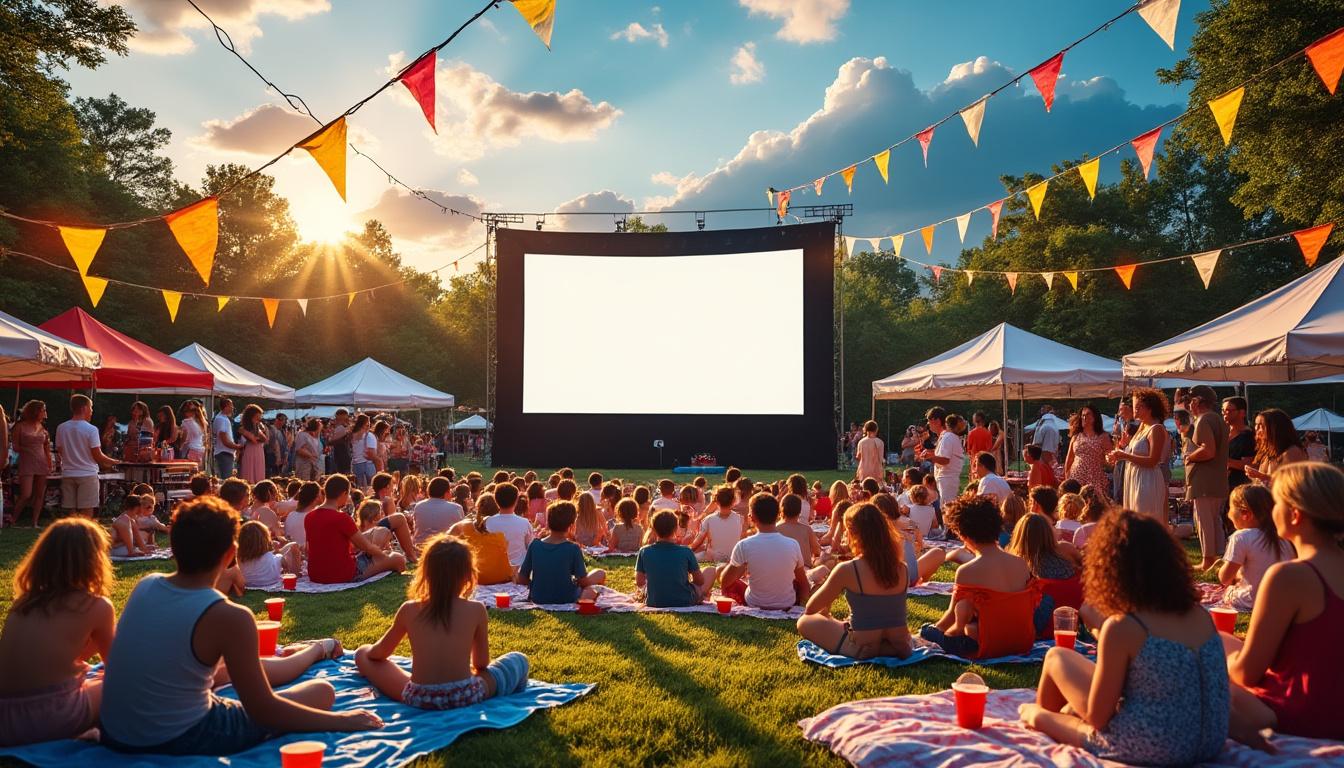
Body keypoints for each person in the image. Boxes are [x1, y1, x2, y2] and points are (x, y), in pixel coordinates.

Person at [99, 496, 380, 754]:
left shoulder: (146, 586)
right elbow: (264, 710)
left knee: (237, 672)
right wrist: (342, 720)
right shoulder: (229, 616)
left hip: (116, 733)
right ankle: (317, 651)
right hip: (181, 736)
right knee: (322, 692)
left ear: (172, 545)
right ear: (230, 554)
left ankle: (315, 650)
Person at [1019, 509, 1229, 764]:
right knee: (1064, 678)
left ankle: (1040, 728)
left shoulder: (1125, 627)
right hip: (1210, 742)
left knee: (1046, 680)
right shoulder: (1200, 616)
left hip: (1153, 746)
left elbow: (1098, 718)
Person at [1223, 462, 1344, 743]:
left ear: (1295, 514)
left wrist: (1225, 659)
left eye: (1275, 502)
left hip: (1301, 717)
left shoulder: (1290, 577)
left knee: (1202, 658)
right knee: (1222, 639)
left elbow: (1247, 674)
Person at [354, 534, 530, 710]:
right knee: (518, 660)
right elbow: (481, 664)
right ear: (468, 576)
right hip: (466, 695)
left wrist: (368, 652)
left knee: (362, 653)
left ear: (426, 574)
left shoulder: (409, 609)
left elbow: (378, 654)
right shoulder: (476, 609)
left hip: (420, 698)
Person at [0, 519, 116, 746]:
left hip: (4, 717)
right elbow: (118, 669)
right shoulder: (96, 606)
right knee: (122, 686)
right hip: (48, 716)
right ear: (95, 560)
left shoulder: (24, 603)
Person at [919, 494, 1043, 658]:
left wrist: (930, 632)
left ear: (964, 535)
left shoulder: (967, 571)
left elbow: (948, 620)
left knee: (927, 631)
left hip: (988, 645)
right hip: (1022, 642)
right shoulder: (1021, 564)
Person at [797, 502, 912, 659]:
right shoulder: (902, 568)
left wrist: (827, 607)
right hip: (902, 644)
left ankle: (871, 647)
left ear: (853, 534)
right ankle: (886, 646)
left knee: (804, 621)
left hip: (863, 645)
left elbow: (811, 608)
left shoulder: (848, 569)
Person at [719, 493, 815, 610]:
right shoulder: (793, 544)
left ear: (751, 517)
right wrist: (802, 605)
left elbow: (725, 582)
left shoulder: (744, 545)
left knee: (725, 576)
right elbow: (803, 583)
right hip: (787, 603)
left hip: (754, 603)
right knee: (797, 582)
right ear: (778, 515)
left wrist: (740, 567)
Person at [305, 475, 406, 584]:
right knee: (398, 559)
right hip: (343, 574)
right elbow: (366, 547)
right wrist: (384, 556)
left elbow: (308, 549)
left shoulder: (309, 516)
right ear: (344, 493)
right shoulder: (342, 518)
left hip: (316, 574)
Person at [1218, 483, 1294, 612]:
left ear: (1245, 514)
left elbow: (1225, 578)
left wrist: (1220, 571)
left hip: (1251, 601)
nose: (1228, 514)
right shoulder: (1284, 537)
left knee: (1227, 591)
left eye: (1230, 508)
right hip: (1282, 602)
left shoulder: (1241, 537)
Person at [516, 501, 605, 604]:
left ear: (548, 523)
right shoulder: (573, 549)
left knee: (598, 575)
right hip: (566, 597)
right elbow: (583, 582)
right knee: (595, 582)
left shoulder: (535, 545)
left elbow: (522, 578)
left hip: (538, 597)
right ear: (572, 526)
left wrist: (538, 584)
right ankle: (583, 601)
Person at [1183, 385, 1230, 570]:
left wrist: (1190, 456)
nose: (1189, 405)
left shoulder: (1203, 420)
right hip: (1217, 479)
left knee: (1204, 521)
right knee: (1214, 519)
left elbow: (1208, 450)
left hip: (1204, 480)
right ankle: (1219, 556)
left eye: (1191, 401)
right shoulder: (1218, 419)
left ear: (1197, 401)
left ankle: (1207, 560)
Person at [1107, 388, 1170, 522]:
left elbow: (1154, 460)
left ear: (1149, 408)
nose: (1135, 410)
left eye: (1138, 406)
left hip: (1147, 479)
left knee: (1145, 518)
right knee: (1134, 518)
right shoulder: (1142, 427)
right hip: (1134, 477)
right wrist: (1118, 453)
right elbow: (1133, 451)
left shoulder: (1156, 429)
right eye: (1135, 406)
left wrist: (1124, 456)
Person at [636, 510, 719, 607]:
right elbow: (700, 581)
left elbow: (640, 582)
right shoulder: (686, 551)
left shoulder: (644, 551)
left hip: (654, 601)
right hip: (685, 600)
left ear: (653, 529)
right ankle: (702, 596)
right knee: (711, 570)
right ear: (676, 529)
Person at [55, 395, 119, 518]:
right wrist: (115, 462)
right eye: (91, 408)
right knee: (87, 510)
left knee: (71, 511)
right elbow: (98, 455)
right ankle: (85, 534)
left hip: (68, 473)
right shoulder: (91, 429)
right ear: (84, 408)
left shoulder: (61, 427)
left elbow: (60, 450)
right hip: (87, 474)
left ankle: (71, 534)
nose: (92, 411)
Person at [447, 493, 514, 585]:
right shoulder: (507, 527)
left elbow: (445, 544)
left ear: (477, 508)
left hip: (473, 578)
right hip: (502, 578)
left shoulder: (462, 526)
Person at [11, 400, 52, 528]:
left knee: (40, 494)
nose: (45, 413)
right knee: (26, 494)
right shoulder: (20, 426)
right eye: (43, 410)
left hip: (41, 462)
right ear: (35, 411)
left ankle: (34, 522)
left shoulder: (43, 428)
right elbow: (15, 447)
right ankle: (12, 520)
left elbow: (47, 449)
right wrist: (26, 449)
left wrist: (50, 464)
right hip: (27, 462)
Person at [922, 408, 965, 520]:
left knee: (948, 507)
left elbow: (945, 460)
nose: (928, 425)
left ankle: (948, 532)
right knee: (946, 506)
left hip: (948, 477)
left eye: (929, 421)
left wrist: (930, 457)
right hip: (946, 477)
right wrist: (930, 453)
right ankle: (947, 532)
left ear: (937, 421)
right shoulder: (945, 437)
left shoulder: (948, 437)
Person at [1245, 408, 1307, 484]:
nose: (1256, 428)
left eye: (1261, 425)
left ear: (1276, 428)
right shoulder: (1266, 451)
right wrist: (1255, 476)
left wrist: (1261, 476)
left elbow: (1293, 481)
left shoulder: (1293, 451)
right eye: (1256, 424)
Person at [236, 520, 301, 589]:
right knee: (287, 552)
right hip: (271, 583)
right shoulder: (275, 559)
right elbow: (293, 574)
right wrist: (296, 556)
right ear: (265, 539)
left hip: (249, 584)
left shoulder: (239, 559)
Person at [1063, 404, 1112, 495]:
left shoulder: (1103, 436)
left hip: (1094, 476)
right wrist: (1067, 477)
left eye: (1088, 414)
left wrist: (1105, 461)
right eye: (1083, 415)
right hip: (1076, 476)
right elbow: (1069, 459)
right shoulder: (1076, 436)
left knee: (1094, 504)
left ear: (1095, 417)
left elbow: (1110, 458)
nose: (1085, 417)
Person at [484, 483, 532, 568]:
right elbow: (530, 547)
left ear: (496, 499)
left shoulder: (488, 522)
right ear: (516, 501)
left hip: (495, 569)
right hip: (519, 571)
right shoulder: (524, 523)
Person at [689, 485, 742, 562]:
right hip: (733, 557)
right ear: (734, 501)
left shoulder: (709, 519)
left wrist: (686, 552)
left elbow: (697, 543)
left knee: (691, 556)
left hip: (713, 557)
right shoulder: (740, 519)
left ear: (715, 501)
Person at [778, 494, 825, 571]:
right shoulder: (806, 529)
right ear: (800, 511)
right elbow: (817, 551)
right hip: (804, 570)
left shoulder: (776, 529)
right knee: (827, 564)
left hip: (783, 571)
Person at [413, 476, 464, 546]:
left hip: (419, 549)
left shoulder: (419, 506)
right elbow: (461, 533)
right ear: (446, 493)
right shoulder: (456, 508)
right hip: (444, 551)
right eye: (450, 491)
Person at [1222, 396, 1256, 490]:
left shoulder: (1248, 436)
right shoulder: (1224, 434)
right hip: (1224, 486)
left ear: (1242, 413)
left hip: (1241, 487)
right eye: (1223, 410)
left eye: (1228, 410)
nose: (1224, 413)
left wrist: (1222, 460)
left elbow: (1248, 465)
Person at [110, 493, 156, 557]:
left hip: (123, 547)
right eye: (141, 506)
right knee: (136, 550)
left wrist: (144, 548)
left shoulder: (131, 520)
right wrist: (135, 550)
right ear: (137, 507)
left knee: (147, 548)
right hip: (114, 549)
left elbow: (138, 540)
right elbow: (130, 550)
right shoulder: (124, 520)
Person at [284, 481, 321, 551]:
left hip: (292, 554)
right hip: (306, 556)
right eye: (320, 494)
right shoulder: (314, 517)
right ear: (316, 497)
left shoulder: (290, 515)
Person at [236, 405, 268, 484]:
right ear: (252, 415)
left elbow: (265, 439)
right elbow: (254, 440)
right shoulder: (243, 428)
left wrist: (259, 432)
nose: (259, 417)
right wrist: (259, 437)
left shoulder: (258, 426)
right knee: (250, 474)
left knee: (259, 473)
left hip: (259, 451)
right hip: (250, 451)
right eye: (258, 415)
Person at [212, 398, 239, 478]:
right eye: (231, 406)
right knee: (226, 478)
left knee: (226, 477)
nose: (232, 408)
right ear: (226, 407)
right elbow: (224, 440)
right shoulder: (222, 419)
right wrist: (237, 446)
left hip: (225, 452)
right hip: (224, 453)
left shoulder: (222, 418)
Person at [179, 401, 207, 469]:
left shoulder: (186, 422)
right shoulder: (202, 422)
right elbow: (204, 438)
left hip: (190, 450)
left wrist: (180, 446)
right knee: (198, 474)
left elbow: (184, 439)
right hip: (200, 451)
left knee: (188, 473)